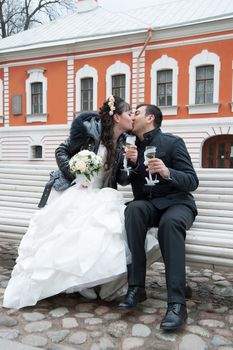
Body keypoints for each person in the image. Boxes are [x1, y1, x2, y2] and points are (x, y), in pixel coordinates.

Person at [3, 96, 135, 309]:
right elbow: (61, 151)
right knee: (73, 228)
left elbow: (122, 179)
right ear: (117, 117)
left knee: (106, 228)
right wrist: (76, 173)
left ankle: (85, 278)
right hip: (75, 189)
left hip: (101, 195)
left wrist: (131, 163)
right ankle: (73, 280)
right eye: (130, 113)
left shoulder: (124, 143)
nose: (133, 117)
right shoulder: (88, 130)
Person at [118, 104, 199, 331]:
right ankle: (137, 287)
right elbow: (123, 181)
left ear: (150, 118)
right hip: (149, 205)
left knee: (169, 223)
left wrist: (166, 172)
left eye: (137, 113)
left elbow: (192, 181)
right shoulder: (130, 146)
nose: (132, 116)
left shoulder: (173, 143)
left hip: (177, 203)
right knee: (133, 210)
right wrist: (130, 164)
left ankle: (176, 304)